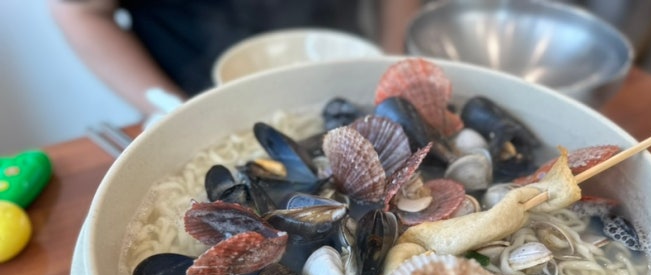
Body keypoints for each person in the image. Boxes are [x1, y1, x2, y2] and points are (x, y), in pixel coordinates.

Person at [48, 0, 421, 117]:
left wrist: (389, 69)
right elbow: (80, 11)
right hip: (195, 95)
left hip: (346, 79)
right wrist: (169, 109)